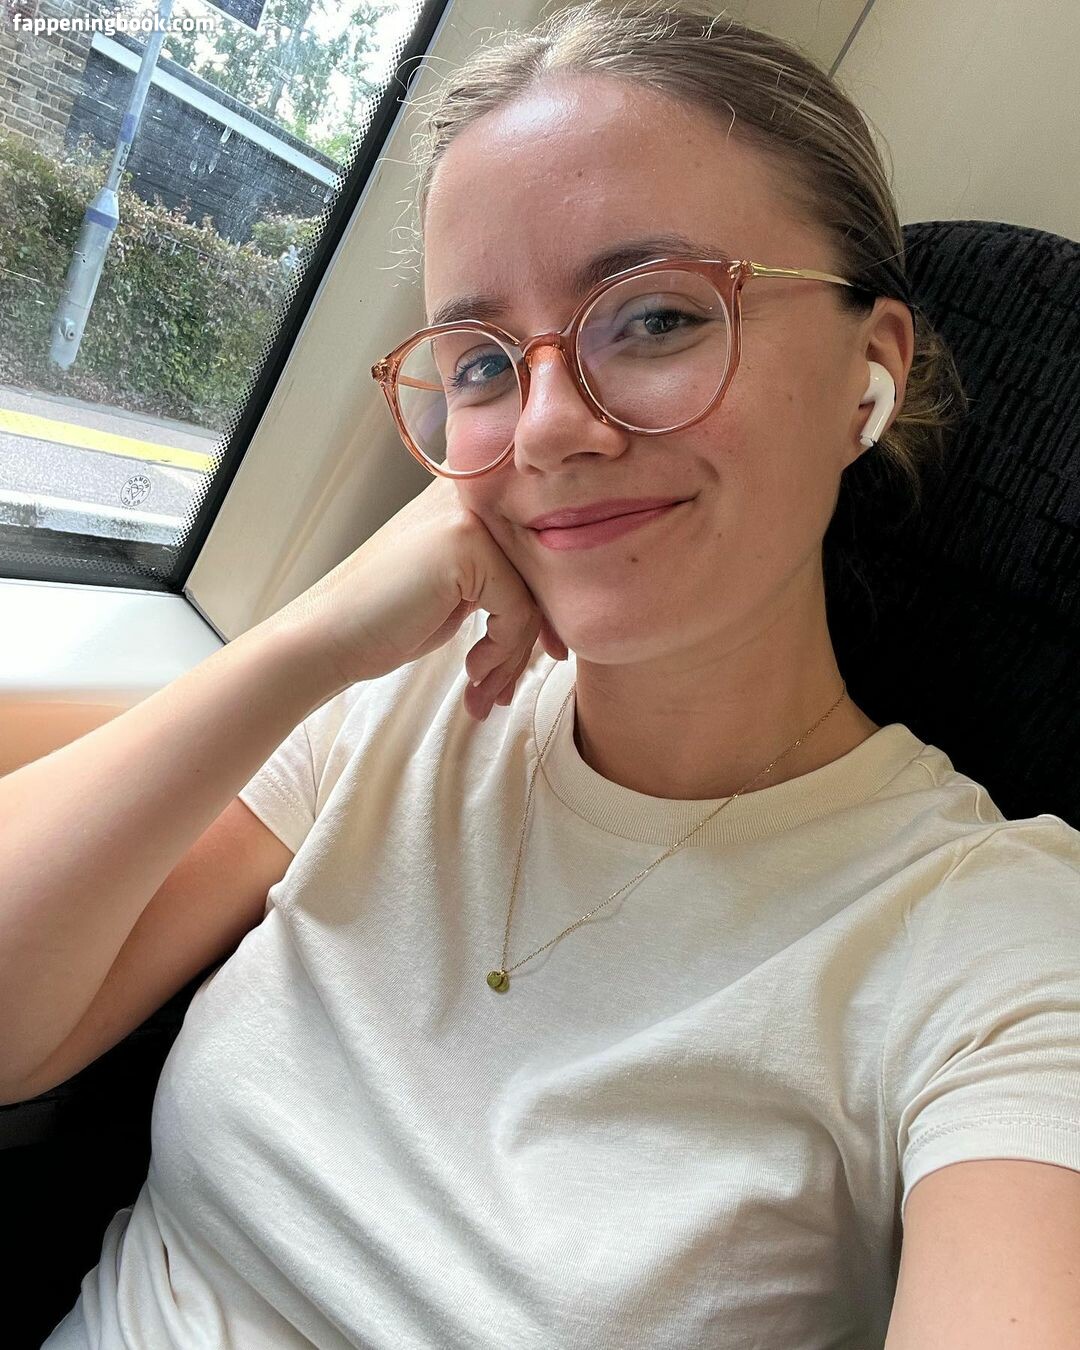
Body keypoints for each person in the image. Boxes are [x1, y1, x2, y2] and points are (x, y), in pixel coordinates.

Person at [23, 1, 1080, 1345]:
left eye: (656, 317)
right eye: (479, 362)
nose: (547, 427)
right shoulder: (403, 700)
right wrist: (312, 638)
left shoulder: (993, 941)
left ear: (866, 370)